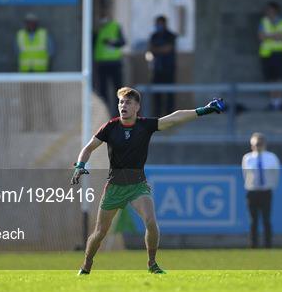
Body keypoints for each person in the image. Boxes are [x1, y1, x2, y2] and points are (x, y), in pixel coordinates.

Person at [71, 87, 225, 275]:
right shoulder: (110, 127)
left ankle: (152, 264)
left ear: (137, 107)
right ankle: (86, 265)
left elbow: (174, 118)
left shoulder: (145, 125)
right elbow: (88, 148)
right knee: (100, 233)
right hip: (114, 187)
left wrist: (204, 110)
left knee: (151, 222)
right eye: (121, 102)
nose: (123, 106)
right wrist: (80, 165)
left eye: (128, 102)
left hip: (137, 186)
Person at [241, 132, 280, 248]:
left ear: (264, 144)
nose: (258, 146)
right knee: (253, 221)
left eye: (260, 144)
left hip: (266, 192)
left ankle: (268, 245)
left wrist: (270, 186)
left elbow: (276, 174)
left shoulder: (271, 158)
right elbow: (245, 174)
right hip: (252, 192)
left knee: (266, 220)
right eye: (255, 144)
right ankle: (253, 246)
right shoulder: (247, 158)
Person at [258, 1, 282, 111]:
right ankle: (273, 103)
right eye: (267, 10)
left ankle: (279, 102)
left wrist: (268, 35)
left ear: (276, 10)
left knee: (279, 79)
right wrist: (275, 35)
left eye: (271, 9)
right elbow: (261, 37)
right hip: (266, 54)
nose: (268, 12)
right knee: (270, 79)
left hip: (278, 53)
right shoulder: (263, 21)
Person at [94, 9, 126, 116]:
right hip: (102, 63)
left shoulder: (115, 26)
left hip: (115, 63)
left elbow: (123, 42)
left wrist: (112, 42)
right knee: (103, 91)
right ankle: (105, 114)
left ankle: (120, 113)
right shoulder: (96, 28)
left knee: (118, 90)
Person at [148, 15, 177, 116]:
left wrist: (157, 50)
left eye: (160, 23)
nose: (158, 25)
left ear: (164, 24)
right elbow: (150, 49)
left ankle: (170, 115)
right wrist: (160, 50)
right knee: (157, 95)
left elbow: (168, 49)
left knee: (169, 94)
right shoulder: (154, 36)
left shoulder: (170, 35)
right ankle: (157, 117)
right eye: (157, 23)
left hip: (168, 69)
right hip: (157, 69)